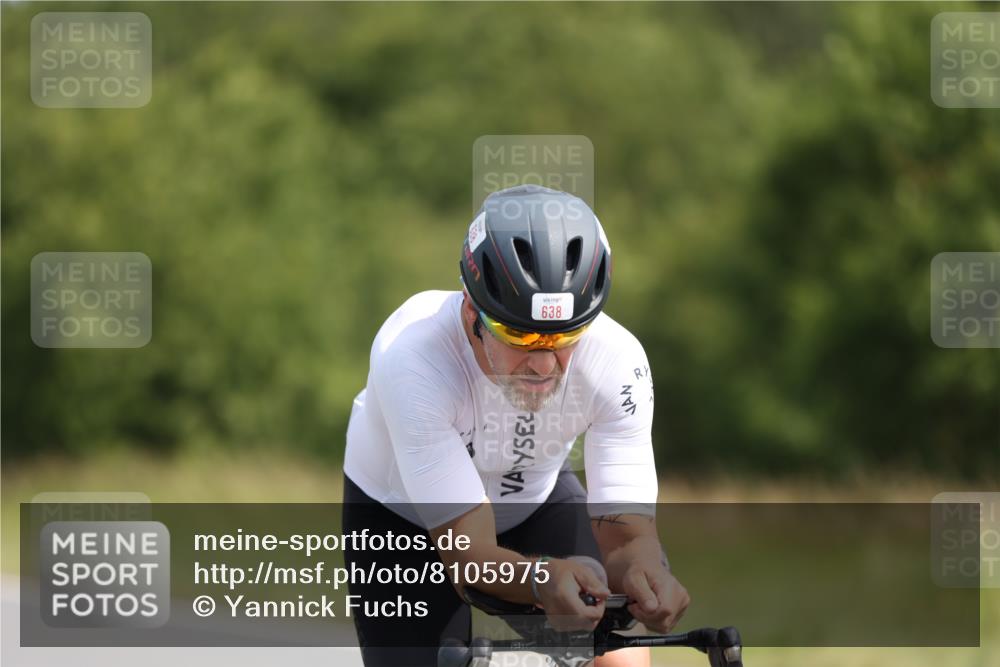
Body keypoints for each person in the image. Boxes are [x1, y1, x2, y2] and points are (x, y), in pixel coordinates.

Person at [342, 185, 689, 666]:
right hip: (402, 515)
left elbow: (629, 539)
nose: (544, 365)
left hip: (534, 495)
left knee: (620, 660)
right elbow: (470, 552)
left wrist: (647, 575)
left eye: (566, 336)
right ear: (472, 312)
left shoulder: (617, 360)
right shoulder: (414, 357)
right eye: (520, 334)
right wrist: (540, 580)